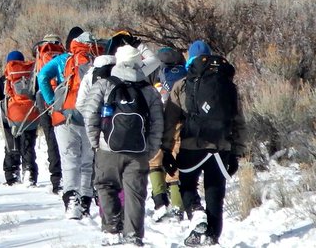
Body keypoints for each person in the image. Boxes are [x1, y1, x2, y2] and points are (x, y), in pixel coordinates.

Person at [163, 39, 246, 246]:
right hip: (222, 147)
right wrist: (236, 151)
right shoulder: (227, 85)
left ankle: (196, 212)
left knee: (187, 185)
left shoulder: (182, 85)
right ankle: (212, 237)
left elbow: (170, 120)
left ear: (189, 59)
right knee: (215, 192)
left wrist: (166, 149)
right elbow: (238, 120)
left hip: (192, 146)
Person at [83, 44, 164, 246]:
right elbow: (157, 123)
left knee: (105, 185)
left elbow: (89, 113)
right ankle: (133, 236)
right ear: (139, 63)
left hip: (107, 148)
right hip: (139, 150)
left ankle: (112, 229)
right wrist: (151, 149)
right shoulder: (148, 90)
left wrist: (95, 141)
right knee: (135, 193)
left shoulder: (103, 85)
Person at [37, 28, 102, 220]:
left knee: (70, 158)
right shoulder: (97, 59)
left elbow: (42, 77)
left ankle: (71, 200)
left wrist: (51, 102)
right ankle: (85, 200)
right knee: (86, 160)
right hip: (91, 114)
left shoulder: (63, 60)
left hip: (65, 114)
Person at [0, 50, 39, 185]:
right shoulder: (31, 77)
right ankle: (30, 173)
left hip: (10, 117)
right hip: (30, 116)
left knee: (11, 146)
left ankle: (12, 176)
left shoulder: (5, 79)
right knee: (28, 146)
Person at [149, 45, 187, 221]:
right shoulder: (184, 73)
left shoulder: (156, 72)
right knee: (176, 158)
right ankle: (178, 206)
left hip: (159, 119)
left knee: (155, 159)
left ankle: (159, 202)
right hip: (179, 120)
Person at [31, 33, 66, 193]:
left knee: (51, 138)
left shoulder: (40, 54)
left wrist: (49, 101)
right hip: (63, 96)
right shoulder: (63, 55)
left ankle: (56, 178)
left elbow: (38, 80)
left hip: (44, 99)